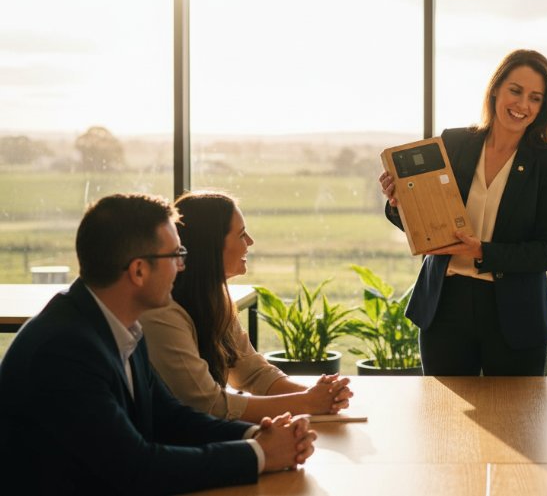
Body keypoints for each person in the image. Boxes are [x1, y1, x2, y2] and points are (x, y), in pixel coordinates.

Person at [0, 193, 317, 494]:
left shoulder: (122, 325)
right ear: (138, 270)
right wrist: (258, 455)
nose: (182, 266)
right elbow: (136, 468)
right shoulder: (65, 350)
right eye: (176, 255)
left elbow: (171, 418)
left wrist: (257, 435)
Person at [379, 48, 547, 375]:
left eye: (535, 98)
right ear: (496, 88)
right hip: (445, 306)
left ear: (543, 107)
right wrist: (400, 203)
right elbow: (425, 223)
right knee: (444, 420)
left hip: (514, 313)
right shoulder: (455, 143)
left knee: (515, 423)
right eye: (515, 91)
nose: (522, 105)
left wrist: (481, 251)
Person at [139, 191, 353, 423]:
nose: (250, 241)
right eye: (241, 234)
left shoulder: (214, 299)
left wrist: (319, 395)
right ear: (211, 246)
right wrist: (307, 402)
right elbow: (209, 405)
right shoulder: (163, 313)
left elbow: (253, 372)